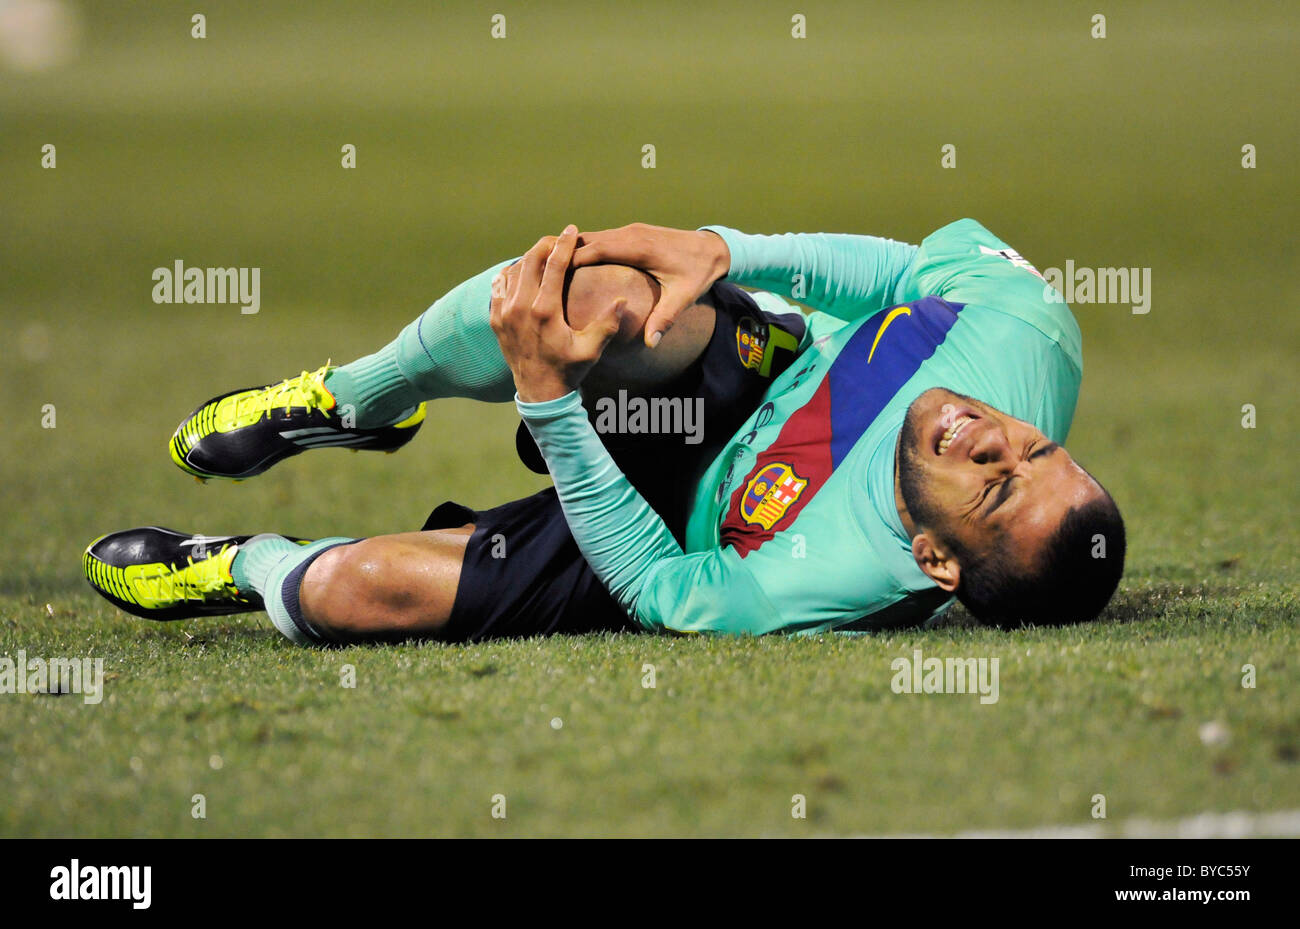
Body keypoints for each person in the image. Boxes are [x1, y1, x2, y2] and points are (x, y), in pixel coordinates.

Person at [83, 219, 1125, 644]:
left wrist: (548, 400)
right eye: (1038, 448)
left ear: (934, 558)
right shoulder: (1030, 338)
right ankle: (358, 396)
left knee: (359, 592)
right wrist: (724, 250)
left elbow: (668, 590)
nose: (998, 440)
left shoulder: (830, 581)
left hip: (673, 527)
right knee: (605, 293)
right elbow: (906, 273)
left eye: (995, 483)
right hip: (763, 367)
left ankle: (241, 565)